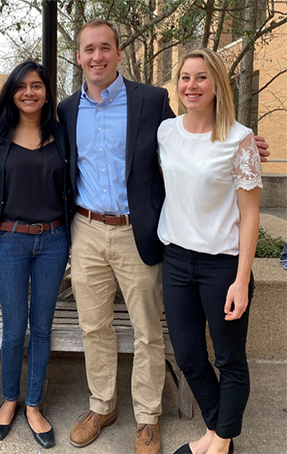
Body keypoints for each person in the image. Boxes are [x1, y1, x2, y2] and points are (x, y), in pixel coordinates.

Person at [57, 20, 269, 454]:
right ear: (78, 57)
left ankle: (147, 418)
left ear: (118, 53)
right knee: (93, 326)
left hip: (138, 232)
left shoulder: (151, 102)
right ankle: (102, 406)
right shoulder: (65, 110)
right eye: (88, 50)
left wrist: (248, 147)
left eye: (105, 48)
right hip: (86, 230)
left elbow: (202, 131)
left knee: (147, 331)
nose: (96, 57)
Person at [158, 48, 262, 454]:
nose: (191, 85)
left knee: (229, 359)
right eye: (185, 77)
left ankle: (217, 442)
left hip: (223, 266)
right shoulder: (166, 133)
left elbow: (250, 214)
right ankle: (220, 433)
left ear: (217, 84)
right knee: (188, 356)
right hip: (177, 261)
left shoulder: (239, 140)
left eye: (201, 77)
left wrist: (241, 279)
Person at [0, 61, 72, 449]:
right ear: (11, 94)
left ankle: (33, 404)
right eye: (22, 87)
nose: (29, 93)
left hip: (53, 240)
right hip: (10, 242)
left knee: (43, 327)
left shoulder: (64, 135)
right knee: (14, 328)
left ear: (47, 93)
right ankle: (9, 399)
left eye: (37, 86)